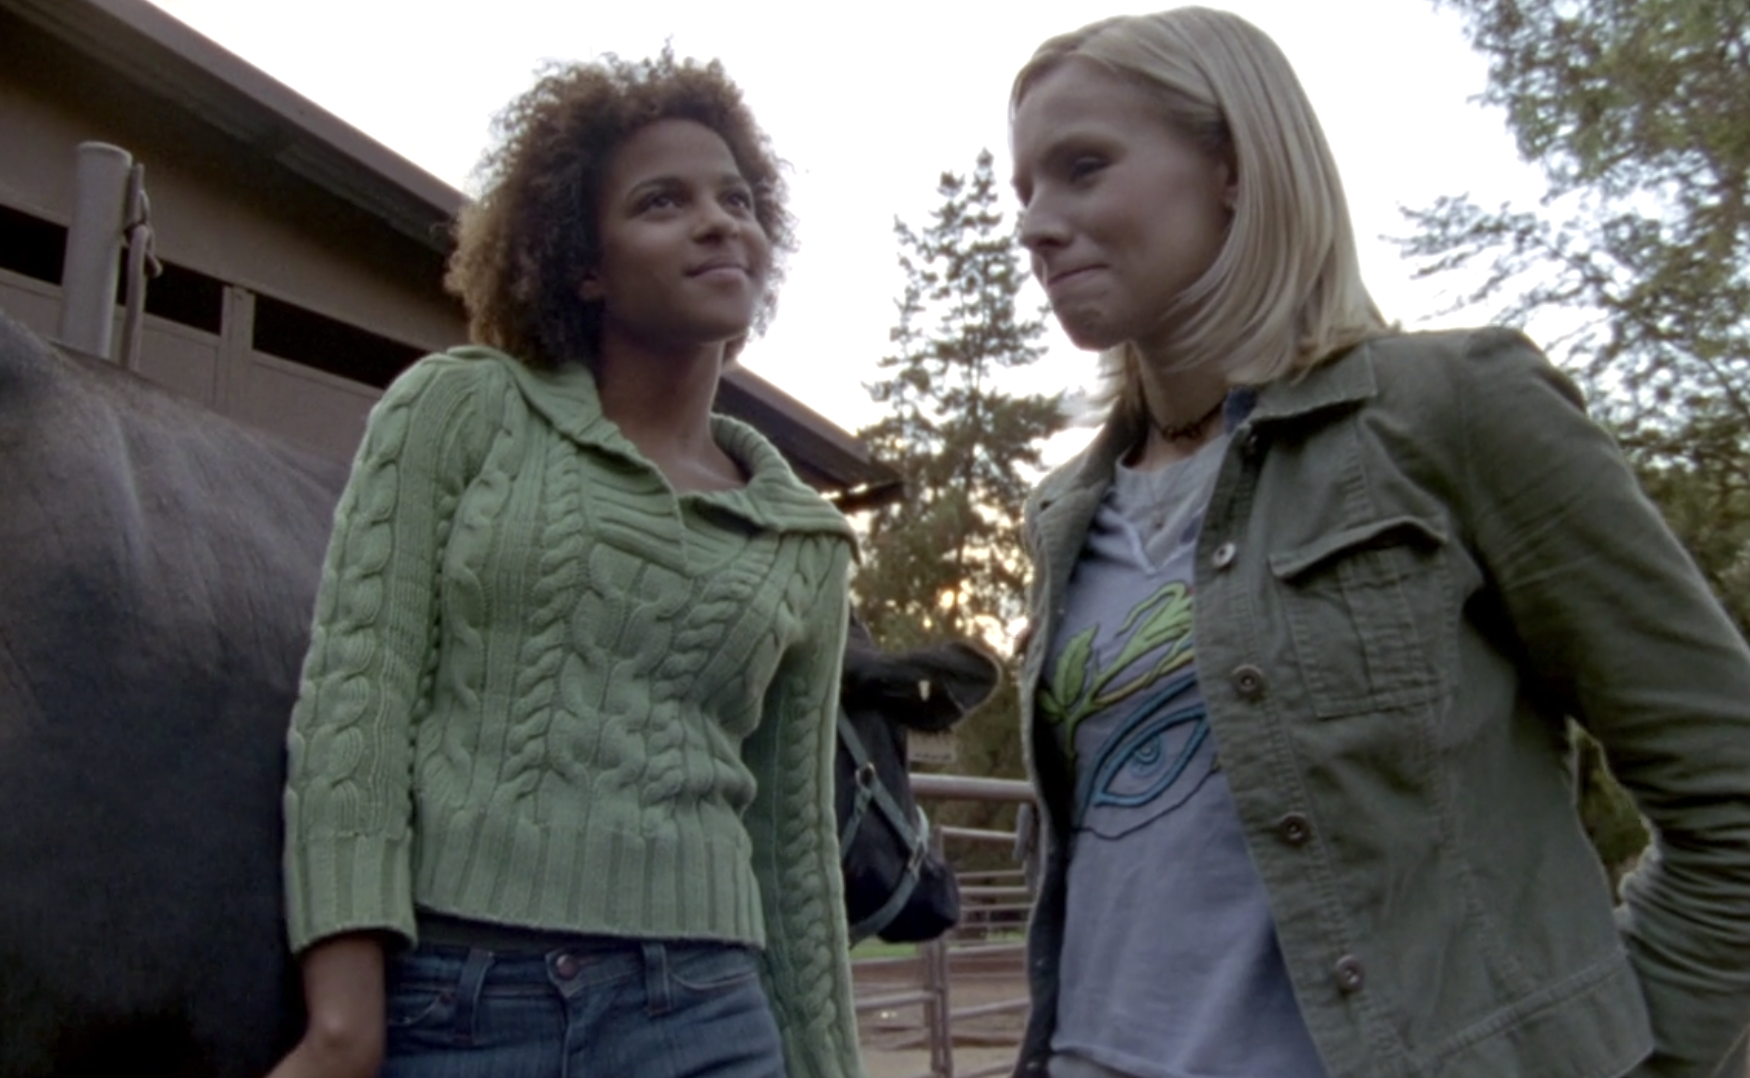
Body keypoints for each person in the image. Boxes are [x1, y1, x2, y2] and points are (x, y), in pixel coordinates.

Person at [1005, 8, 1750, 1078]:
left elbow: (1728, 791)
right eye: (1023, 189)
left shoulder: (1451, 410)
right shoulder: (1064, 516)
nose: (1036, 222)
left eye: (1082, 167)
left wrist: (1636, 1057)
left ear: (1233, 167)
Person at [265, 51, 864, 1078]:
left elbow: (792, 855)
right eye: (662, 201)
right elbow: (354, 713)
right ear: (583, 262)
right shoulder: (458, 412)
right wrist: (342, 1019)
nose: (720, 221)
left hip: (710, 1015)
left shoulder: (802, 538)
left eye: (738, 198)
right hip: (460, 1004)